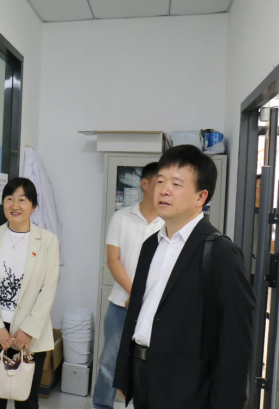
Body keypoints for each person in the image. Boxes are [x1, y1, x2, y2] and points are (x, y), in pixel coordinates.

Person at [113, 145, 255, 409]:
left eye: (176, 184)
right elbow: (137, 312)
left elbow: (236, 341)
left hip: (188, 385)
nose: (164, 190)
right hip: (143, 374)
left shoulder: (221, 253)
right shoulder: (151, 245)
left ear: (201, 197)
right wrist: (124, 371)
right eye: (161, 181)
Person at [0, 177, 60, 409]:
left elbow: (48, 288)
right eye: (9, 199)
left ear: (33, 206)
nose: (15, 205)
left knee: (27, 402)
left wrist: (28, 330)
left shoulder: (48, 242)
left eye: (22, 199)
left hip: (30, 334)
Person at [93, 163, 164, 409]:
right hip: (119, 305)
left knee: (151, 362)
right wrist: (134, 294)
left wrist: (142, 299)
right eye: (160, 182)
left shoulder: (168, 222)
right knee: (110, 360)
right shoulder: (121, 218)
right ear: (145, 184)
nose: (165, 188)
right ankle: (102, 405)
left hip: (155, 308)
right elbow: (113, 260)